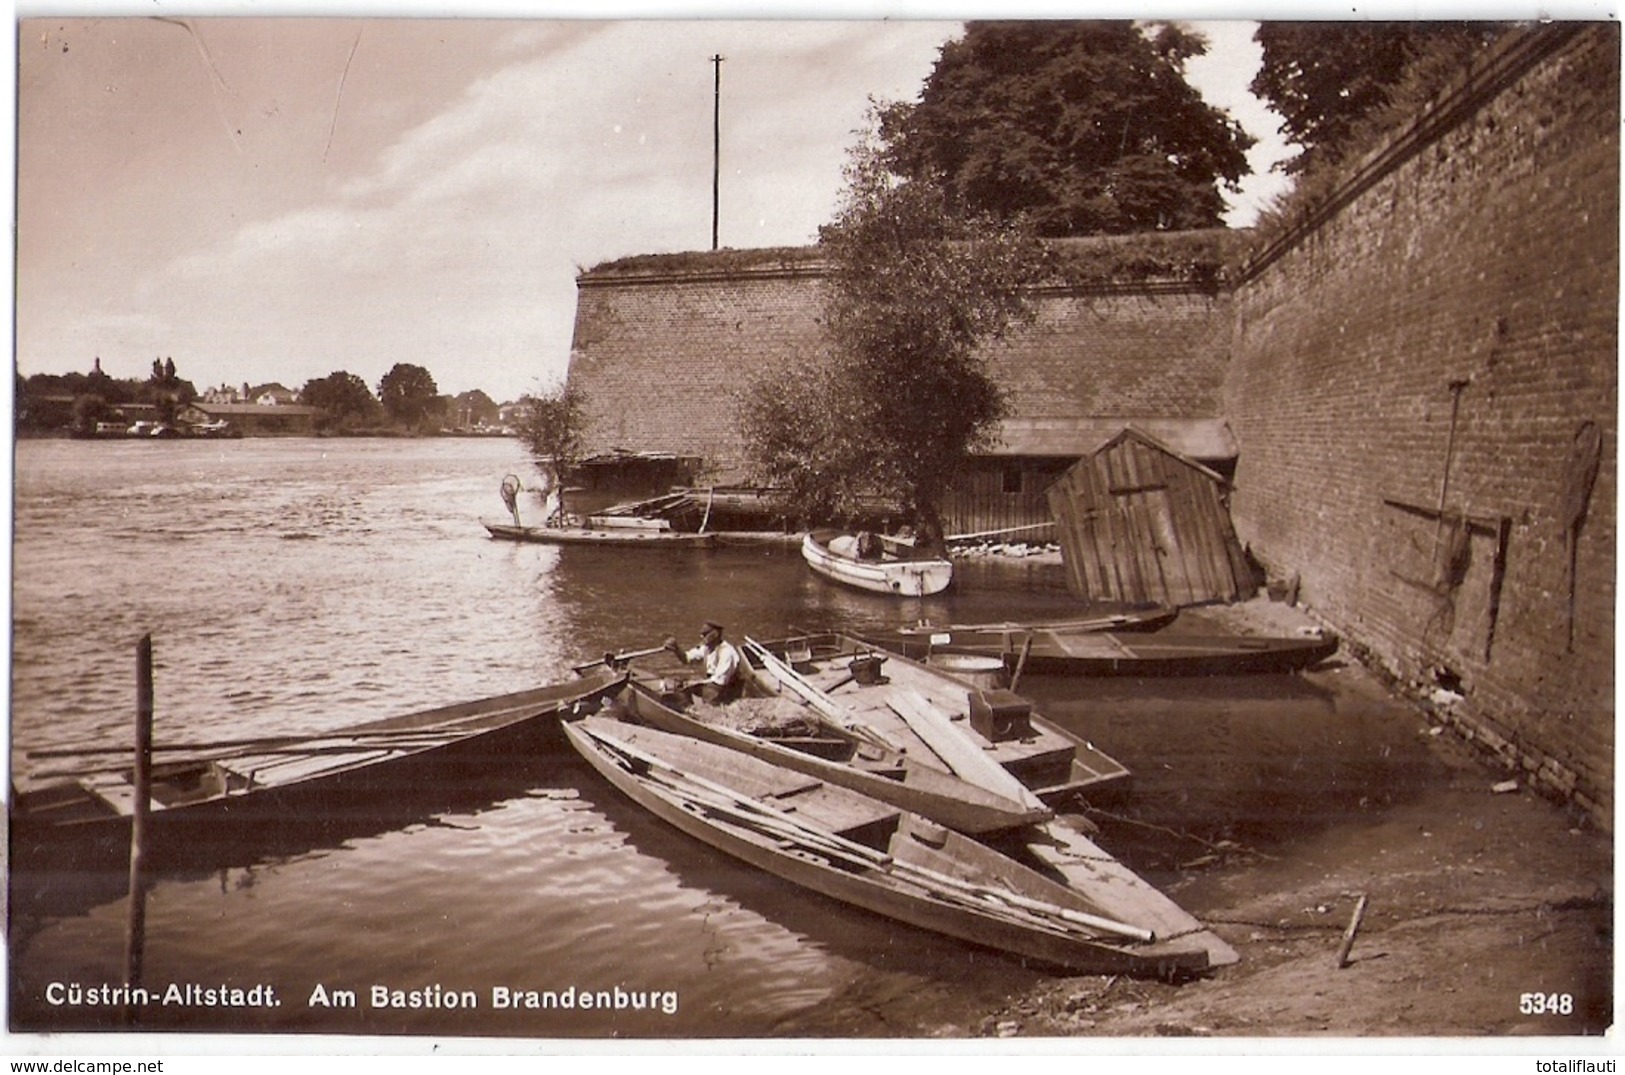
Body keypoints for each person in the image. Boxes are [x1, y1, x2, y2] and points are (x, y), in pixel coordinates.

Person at [664, 620, 743, 703]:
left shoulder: (726, 652)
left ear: (715, 634)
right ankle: (688, 709)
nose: (701, 636)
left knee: (709, 691)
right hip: (712, 683)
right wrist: (676, 649)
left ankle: (711, 710)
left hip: (725, 688)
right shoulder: (706, 648)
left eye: (705, 634)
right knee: (681, 687)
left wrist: (695, 682)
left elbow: (719, 681)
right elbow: (687, 659)